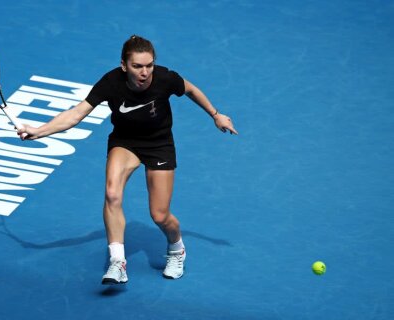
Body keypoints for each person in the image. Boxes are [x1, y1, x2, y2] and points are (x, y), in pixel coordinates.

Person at [17, 35, 238, 284]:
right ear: (124, 65)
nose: (145, 72)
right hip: (126, 143)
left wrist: (216, 115)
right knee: (112, 194)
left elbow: (191, 89)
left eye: (149, 65)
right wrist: (40, 130)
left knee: (160, 215)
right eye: (137, 66)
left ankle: (177, 249)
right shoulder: (111, 83)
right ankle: (117, 262)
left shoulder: (165, 78)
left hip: (159, 146)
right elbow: (76, 114)